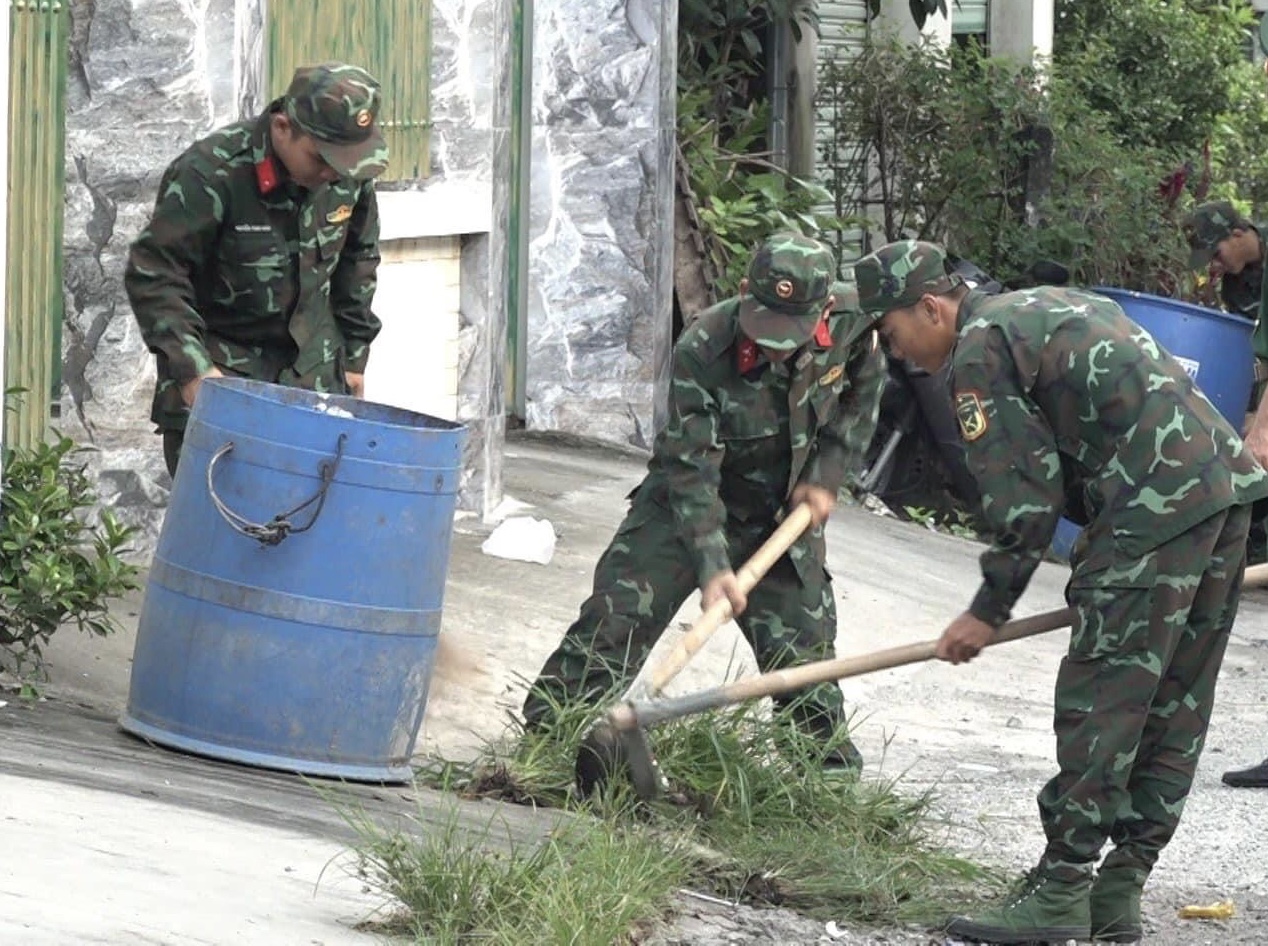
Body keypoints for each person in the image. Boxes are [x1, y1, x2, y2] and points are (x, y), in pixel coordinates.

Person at [854, 239, 1268, 944]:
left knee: (1104, 697)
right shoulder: (1045, 306)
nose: (898, 354)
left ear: (930, 307)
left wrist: (985, 612)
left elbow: (1028, 503)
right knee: (1177, 697)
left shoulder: (979, 350)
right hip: (1222, 493)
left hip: (1150, 509)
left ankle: (1063, 886)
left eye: (893, 334)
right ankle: (1118, 891)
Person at [521, 232, 886, 772]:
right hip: (684, 506)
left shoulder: (856, 323)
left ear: (825, 308)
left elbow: (865, 382)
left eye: (792, 333)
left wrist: (829, 472)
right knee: (617, 616)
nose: (776, 348)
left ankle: (826, 784)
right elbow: (691, 468)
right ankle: (545, 745)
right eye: (767, 330)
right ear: (744, 292)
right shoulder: (704, 348)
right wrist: (714, 566)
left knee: (803, 651)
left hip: (780, 515)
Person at [125, 61, 388, 476]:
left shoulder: (344, 173)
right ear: (283, 127)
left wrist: (355, 357)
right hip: (225, 384)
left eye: (345, 163)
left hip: (315, 385)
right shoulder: (210, 172)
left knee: (310, 531)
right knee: (222, 534)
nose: (332, 174)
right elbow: (155, 273)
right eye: (322, 158)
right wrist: (192, 370)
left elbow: (357, 261)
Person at [1184, 201, 1268, 790]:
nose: (1213, 267)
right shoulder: (1238, 287)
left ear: (1241, 234)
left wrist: (1261, 432)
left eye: (1216, 253)